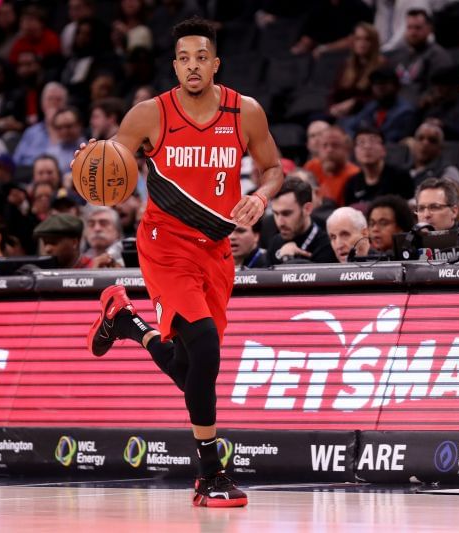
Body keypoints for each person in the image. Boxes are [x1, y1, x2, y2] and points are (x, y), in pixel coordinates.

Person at [77, 17, 284, 508]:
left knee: (191, 365)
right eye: (183, 58)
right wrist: (91, 160)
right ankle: (211, 473)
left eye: (201, 57)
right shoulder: (149, 114)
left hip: (216, 248)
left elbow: (274, 168)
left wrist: (261, 195)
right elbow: (114, 162)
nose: (192, 66)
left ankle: (124, 321)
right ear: (175, 65)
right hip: (164, 243)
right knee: (206, 349)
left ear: (216, 63)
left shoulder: (245, 111)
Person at [267, 177, 337, 265]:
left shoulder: (326, 245)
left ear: (307, 209)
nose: (280, 222)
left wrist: (288, 258)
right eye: (276, 214)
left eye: (286, 213)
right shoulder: (275, 243)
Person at [344, 127, 413, 206]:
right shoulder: (352, 183)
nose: (367, 146)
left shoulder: (401, 177)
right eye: (361, 142)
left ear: (384, 150)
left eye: (373, 141)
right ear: (354, 151)